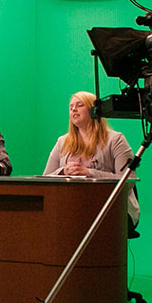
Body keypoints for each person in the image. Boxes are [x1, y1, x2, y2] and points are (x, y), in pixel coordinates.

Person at [42, 91, 140, 228]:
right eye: (71, 107)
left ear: (94, 110)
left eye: (79, 105)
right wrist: (63, 170)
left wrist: (89, 173)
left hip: (110, 208)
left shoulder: (116, 139)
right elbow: (44, 179)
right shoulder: (62, 141)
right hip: (70, 208)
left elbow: (128, 181)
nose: (73, 109)